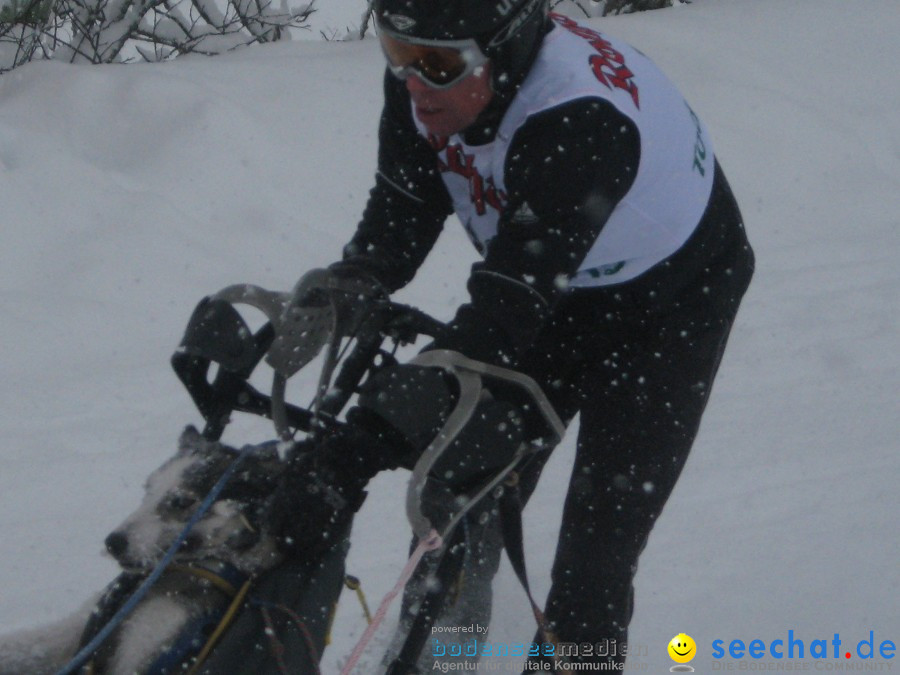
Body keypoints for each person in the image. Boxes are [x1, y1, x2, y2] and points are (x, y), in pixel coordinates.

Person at [269, 0, 755, 672]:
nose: (413, 81)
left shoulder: (579, 119)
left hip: (671, 303)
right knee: (466, 496)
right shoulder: (428, 75)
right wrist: (357, 279)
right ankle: (441, 659)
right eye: (393, 50)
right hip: (555, 276)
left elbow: (496, 325)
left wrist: (357, 450)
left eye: (437, 65)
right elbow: (403, 212)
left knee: (596, 546)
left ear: (507, 51)